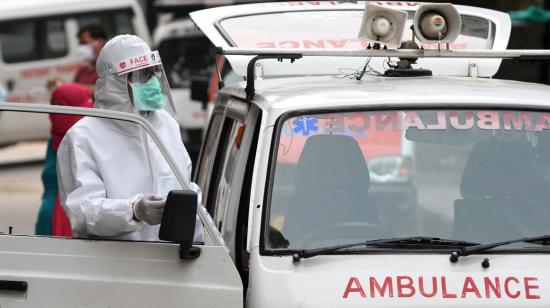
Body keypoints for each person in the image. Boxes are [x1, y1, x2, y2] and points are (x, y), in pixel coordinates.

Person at [57, 35, 203, 241]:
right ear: (114, 82)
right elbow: (82, 211)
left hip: (173, 260)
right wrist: (133, 211)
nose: (152, 81)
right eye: (142, 74)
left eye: (153, 72)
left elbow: (185, 186)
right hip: (119, 265)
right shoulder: (83, 137)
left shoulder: (166, 124)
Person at [35, 84, 93, 235]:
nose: (55, 112)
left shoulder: (80, 141)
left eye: (60, 106)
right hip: (63, 220)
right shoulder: (82, 140)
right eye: (53, 105)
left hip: (66, 220)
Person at [48, 25, 107, 92]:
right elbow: (74, 91)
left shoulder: (107, 67)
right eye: (80, 44)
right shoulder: (82, 71)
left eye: (85, 43)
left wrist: (65, 85)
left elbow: (102, 90)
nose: (81, 48)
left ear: (100, 41)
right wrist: (61, 85)